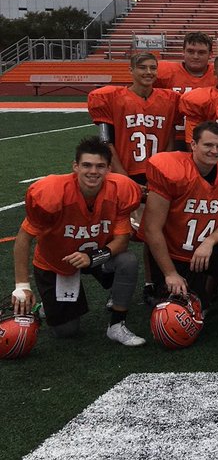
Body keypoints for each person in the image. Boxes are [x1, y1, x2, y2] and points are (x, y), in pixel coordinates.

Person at [11, 137, 145, 346]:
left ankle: (117, 325)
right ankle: (49, 305)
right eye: (87, 165)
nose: (93, 171)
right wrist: (21, 286)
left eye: (100, 166)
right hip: (55, 261)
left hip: (94, 255)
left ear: (109, 168)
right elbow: (23, 238)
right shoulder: (52, 192)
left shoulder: (120, 190)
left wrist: (92, 257)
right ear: (75, 166)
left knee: (127, 261)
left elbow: (122, 241)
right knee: (66, 331)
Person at [141, 121, 218, 345]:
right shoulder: (172, 170)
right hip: (176, 253)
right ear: (193, 145)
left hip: (208, 249)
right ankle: (165, 288)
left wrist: (209, 241)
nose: (214, 151)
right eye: (208, 145)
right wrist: (169, 273)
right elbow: (152, 228)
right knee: (173, 316)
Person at [88, 52, 181, 182]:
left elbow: (171, 138)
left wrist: (162, 170)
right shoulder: (112, 98)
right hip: (124, 170)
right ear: (131, 70)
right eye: (142, 67)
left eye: (153, 68)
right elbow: (106, 141)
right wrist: (122, 175)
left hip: (158, 170)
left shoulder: (170, 99)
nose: (148, 72)